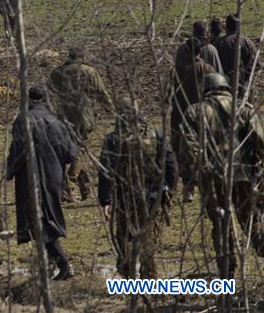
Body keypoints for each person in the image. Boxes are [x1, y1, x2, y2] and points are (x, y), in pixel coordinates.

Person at [179, 73, 264, 276]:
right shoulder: (244, 108)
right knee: (252, 220)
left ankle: (227, 273)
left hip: (212, 178)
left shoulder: (195, 111)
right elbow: (260, 140)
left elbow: (189, 148)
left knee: (221, 224)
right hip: (244, 175)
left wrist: (192, 177)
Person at [98, 97, 177, 278]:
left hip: (125, 198)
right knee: (148, 241)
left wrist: (106, 200)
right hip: (152, 197)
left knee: (124, 239)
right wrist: (169, 191)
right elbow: (171, 165)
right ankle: (149, 279)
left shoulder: (112, 139)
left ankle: (129, 280)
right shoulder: (157, 134)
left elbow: (105, 171)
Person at [6, 86, 77, 281]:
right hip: (54, 177)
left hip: (32, 177)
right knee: (47, 218)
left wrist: (9, 171)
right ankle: (49, 264)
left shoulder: (23, 120)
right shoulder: (57, 121)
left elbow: (19, 150)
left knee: (39, 222)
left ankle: (62, 263)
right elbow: (71, 153)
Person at [47, 46, 113, 201]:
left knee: (77, 151)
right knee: (81, 152)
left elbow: (49, 94)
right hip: (83, 117)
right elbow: (100, 92)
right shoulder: (89, 71)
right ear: (83, 57)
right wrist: (111, 108)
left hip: (62, 118)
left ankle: (86, 190)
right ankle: (68, 186)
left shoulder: (57, 72)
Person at [170, 37, 216, 198]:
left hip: (180, 115)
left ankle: (186, 187)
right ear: (199, 51)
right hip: (202, 114)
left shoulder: (177, 70)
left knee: (182, 151)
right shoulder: (207, 69)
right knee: (204, 147)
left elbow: (169, 94)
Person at [214, 13, 257, 97]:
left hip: (225, 90)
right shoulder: (248, 43)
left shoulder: (219, 42)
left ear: (226, 27)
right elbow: (256, 65)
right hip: (245, 89)